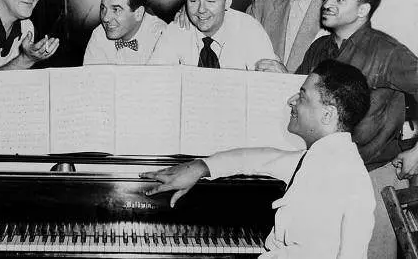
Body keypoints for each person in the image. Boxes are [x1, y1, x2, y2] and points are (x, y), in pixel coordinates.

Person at [142, 59, 375, 258]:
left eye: (302, 96)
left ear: (328, 114)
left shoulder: (347, 177)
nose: (291, 100)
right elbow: (256, 159)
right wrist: (200, 167)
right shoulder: (319, 158)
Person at [295, 0, 418, 259]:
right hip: (321, 179)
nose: (326, 4)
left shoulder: (388, 52)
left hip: (373, 180)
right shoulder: (319, 49)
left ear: (363, 8)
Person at [149, 0, 277, 70]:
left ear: (228, 1)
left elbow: (268, 83)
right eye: (193, 0)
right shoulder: (177, 29)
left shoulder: (249, 30)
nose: (201, 9)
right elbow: (156, 79)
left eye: (210, 1)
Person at [83, 0, 167, 65]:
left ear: (138, 13)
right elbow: (91, 78)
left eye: (116, 10)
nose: (106, 18)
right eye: (103, 8)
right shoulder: (99, 35)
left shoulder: (161, 36)